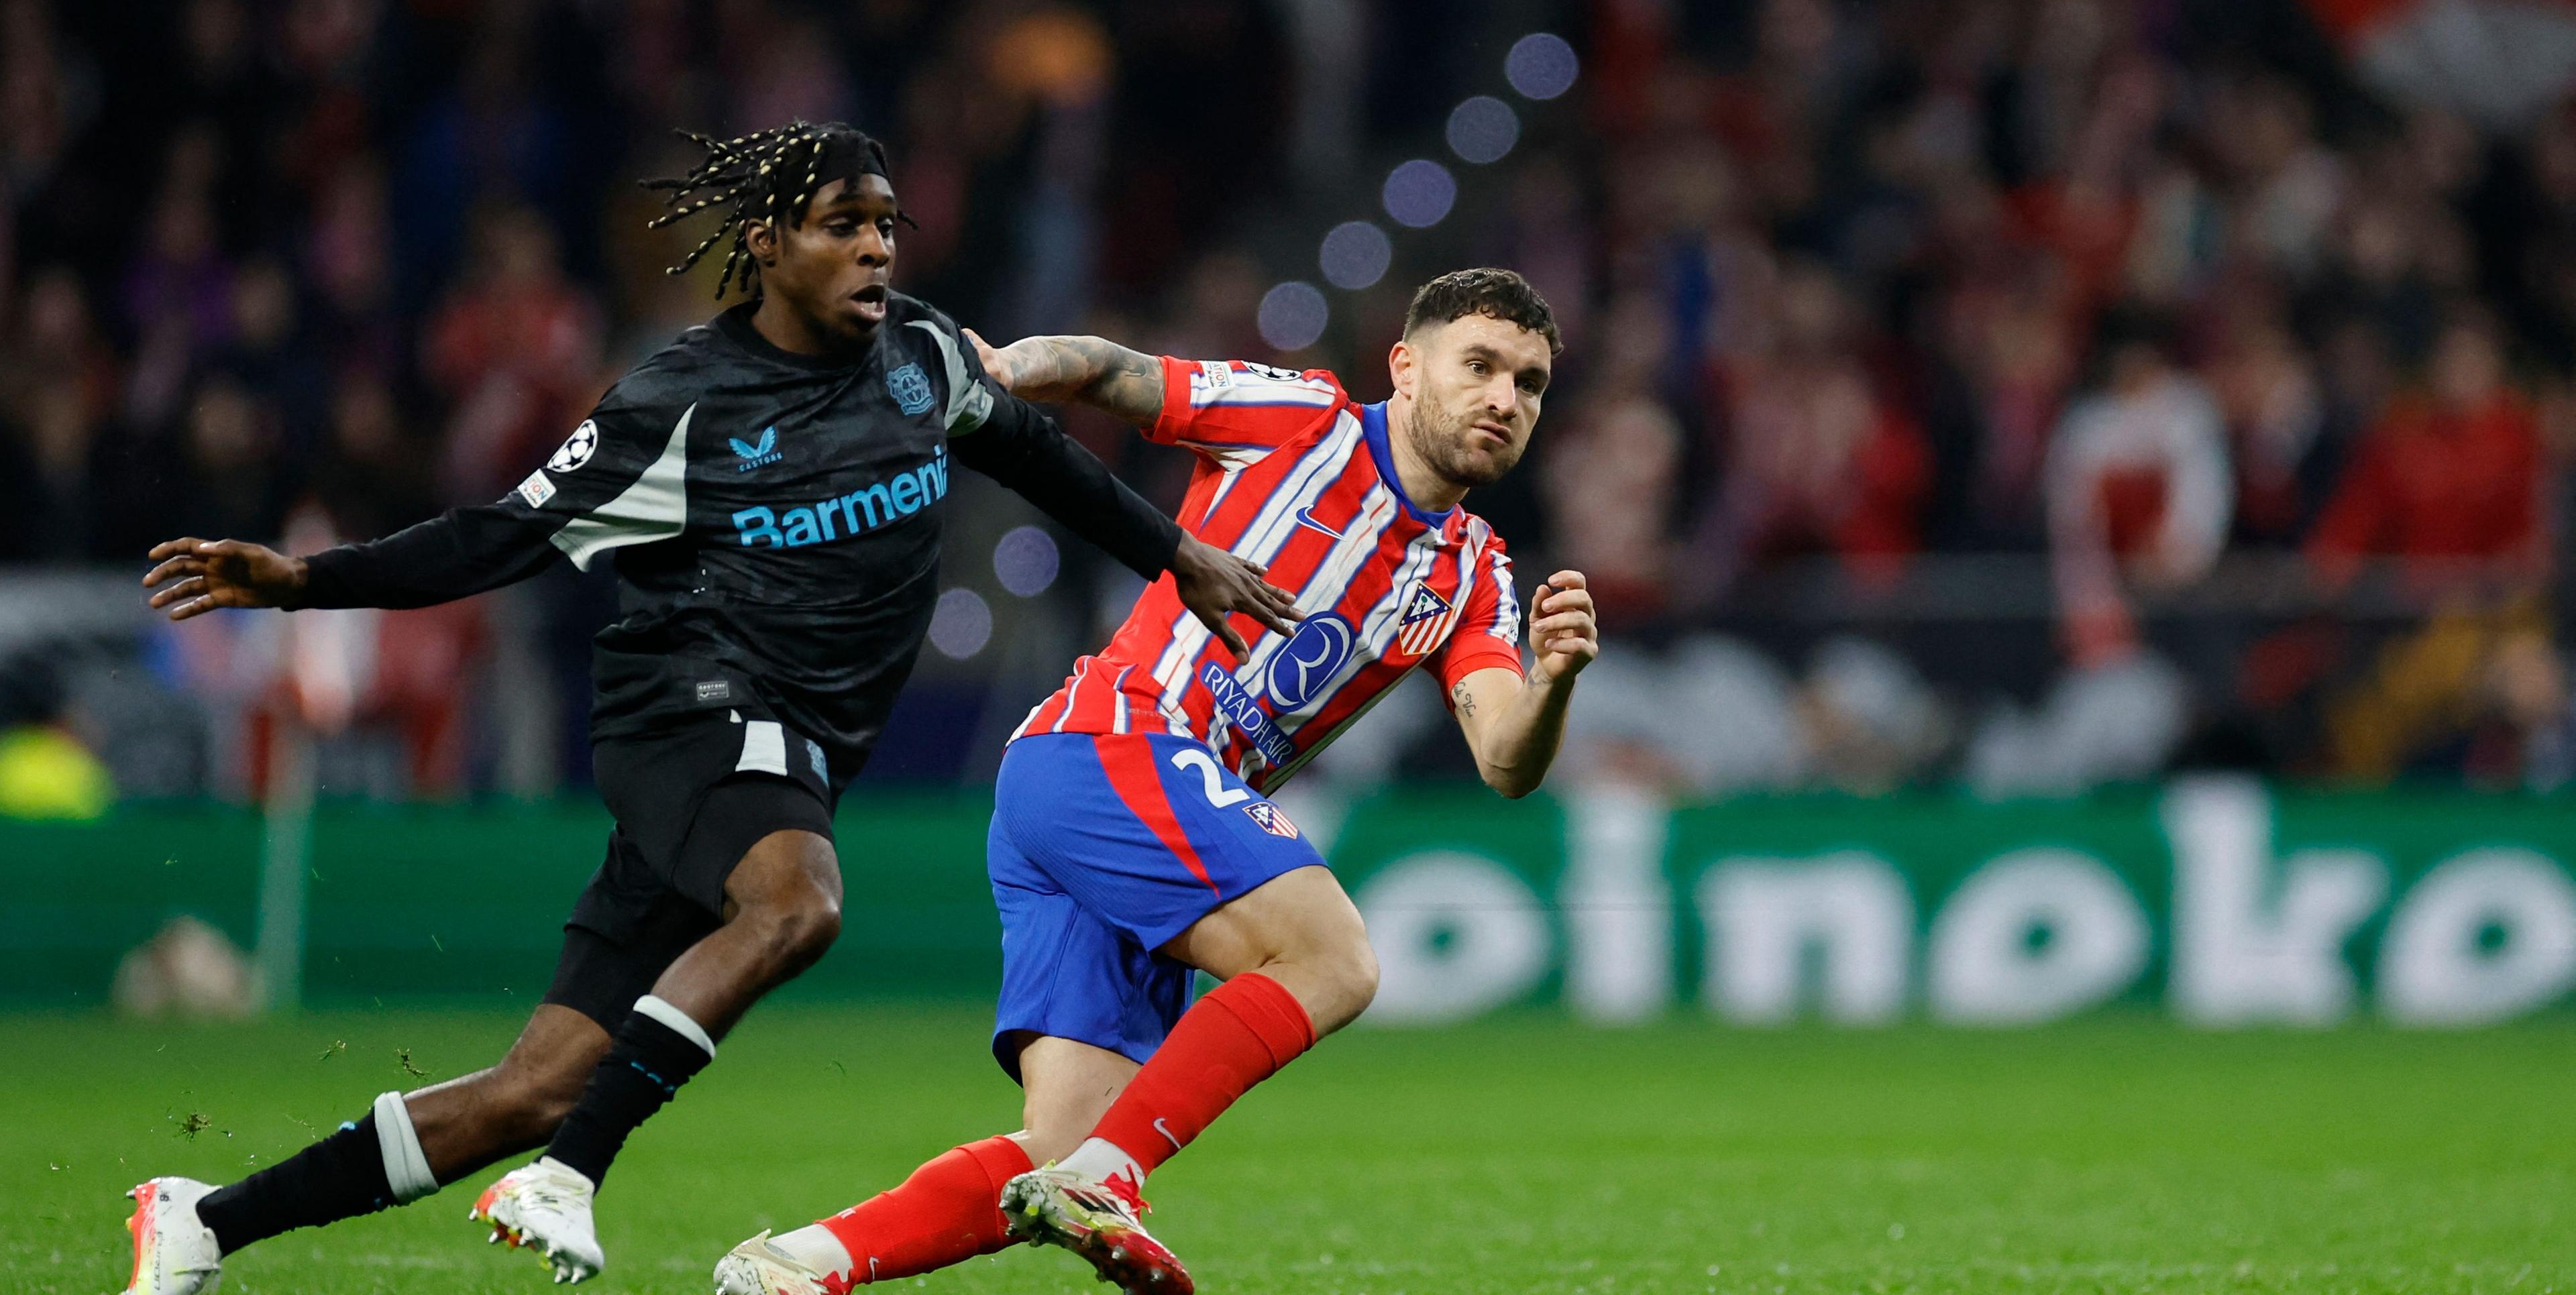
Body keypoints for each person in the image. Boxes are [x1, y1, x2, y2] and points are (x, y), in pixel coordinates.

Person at [117, 121, 1297, 1294]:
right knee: (799, 906)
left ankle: (203, 1221)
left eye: (888, 226)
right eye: (846, 227)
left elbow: (1042, 456)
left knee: (538, 1084)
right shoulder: (678, 403)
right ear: (769, 242)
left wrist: (1177, 553)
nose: (878, 251)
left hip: (784, 755)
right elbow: (496, 537)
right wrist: (307, 581)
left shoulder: (923, 361)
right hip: (686, 713)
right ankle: (571, 1175)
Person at [714, 267, 1599, 1294]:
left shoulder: (1474, 574)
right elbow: (1117, 375)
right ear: (1406, 368)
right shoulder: (1302, 420)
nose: (1505, 398)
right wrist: (1002, 371)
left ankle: (791, 1266)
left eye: (1530, 384)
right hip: (1112, 746)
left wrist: (1554, 684)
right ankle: (1109, 1180)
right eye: (1481, 366)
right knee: (1335, 959)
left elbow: (1505, 760)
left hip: (1120, 807)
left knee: (1055, 1151)